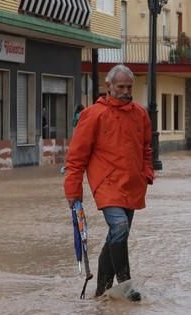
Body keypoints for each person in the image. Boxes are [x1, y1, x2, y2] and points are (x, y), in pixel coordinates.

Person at [63, 64, 154, 301]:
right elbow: (76, 158)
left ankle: (101, 291)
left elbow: (146, 148)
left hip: (133, 184)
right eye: (121, 86)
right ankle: (125, 284)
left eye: (129, 87)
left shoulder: (140, 114)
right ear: (109, 86)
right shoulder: (93, 115)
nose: (125, 91)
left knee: (116, 236)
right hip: (107, 184)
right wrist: (73, 193)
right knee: (120, 228)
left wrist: (147, 173)